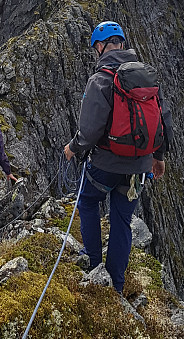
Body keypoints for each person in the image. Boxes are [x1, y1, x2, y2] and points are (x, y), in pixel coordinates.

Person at [64, 21, 172, 294]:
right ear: (122, 43)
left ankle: (93, 265)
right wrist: (157, 158)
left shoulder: (100, 79)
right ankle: (117, 287)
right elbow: (163, 121)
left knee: (87, 202)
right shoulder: (147, 77)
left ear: (100, 46)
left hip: (105, 164)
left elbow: (89, 131)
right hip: (139, 167)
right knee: (122, 221)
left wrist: (73, 148)